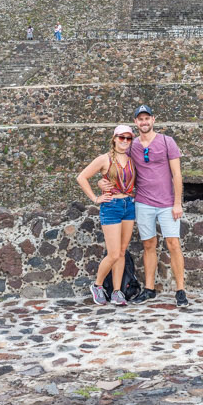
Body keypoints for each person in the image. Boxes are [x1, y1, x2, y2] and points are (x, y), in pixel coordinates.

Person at [101, 106, 188, 306]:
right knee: (149, 245)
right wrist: (100, 182)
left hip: (167, 203)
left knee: (173, 244)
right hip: (143, 202)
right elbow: (114, 164)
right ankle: (149, 289)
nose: (144, 122)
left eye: (147, 118)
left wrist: (177, 203)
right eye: (140, 119)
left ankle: (180, 290)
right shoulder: (132, 145)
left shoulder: (167, 142)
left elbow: (177, 174)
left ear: (153, 120)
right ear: (136, 123)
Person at [78, 125, 138, 306]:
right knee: (112, 253)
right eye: (121, 138)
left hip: (129, 205)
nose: (125, 141)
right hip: (111, 206)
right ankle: (97, 285)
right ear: (114, 138)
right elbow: (81, 177)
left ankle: (117, 291)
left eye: (128, 138)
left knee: (121, 252)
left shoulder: (132, 159)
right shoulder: (104, 159)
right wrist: (96, 198)